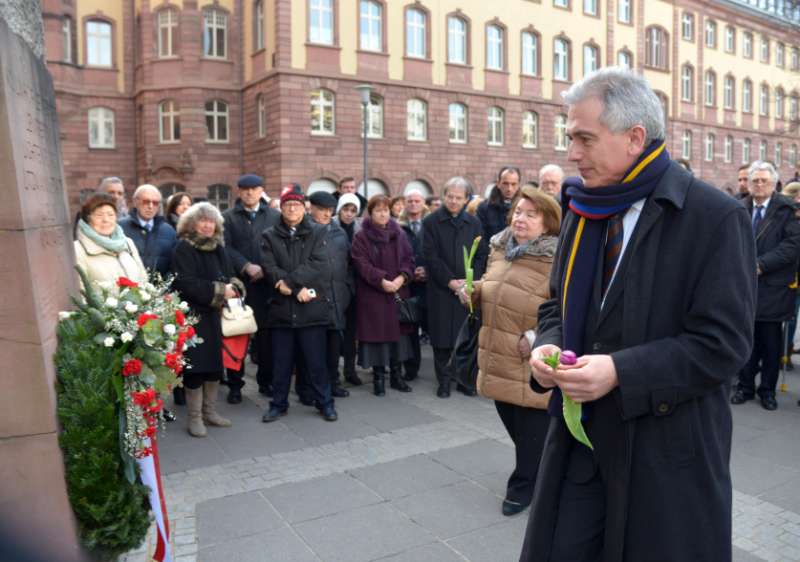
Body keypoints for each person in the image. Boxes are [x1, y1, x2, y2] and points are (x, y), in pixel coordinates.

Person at [521, 68, 756, 562]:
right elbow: (555, 303)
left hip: (664, 459)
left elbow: (724, 345)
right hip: (580, 449)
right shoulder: (583, 209)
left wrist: (621, 373)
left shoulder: (714, 217)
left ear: (634, 138)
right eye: (570, 138)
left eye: (585, 138)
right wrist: (548, 342)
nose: (571, 154)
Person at [464, 187, 560, 517]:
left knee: (531, 429)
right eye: (518, 212)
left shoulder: (556, 257)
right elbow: (496, 287)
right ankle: (547, 471)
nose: (521, 218)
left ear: (548, 224)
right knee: (516, 425)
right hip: (497, 351)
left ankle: (522, 487)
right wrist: (473, 291)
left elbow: (566, 307)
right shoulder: (500, 249)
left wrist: (536, 335)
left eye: (531, 214)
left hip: (529, 356)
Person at [261, 184, 338, 423]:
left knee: (316, 362)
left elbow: (319, 264)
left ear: (304, 208)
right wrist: (295, 290)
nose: (292, 209)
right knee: (281, 363)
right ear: (281, 208)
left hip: (311, 308)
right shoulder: (269, 235)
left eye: (296, 204)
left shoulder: (318, 232)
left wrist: (291, 286)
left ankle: (325, 403)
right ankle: (278, 404)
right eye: (287, 205)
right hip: (282, 311)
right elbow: (269, 268)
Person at [731, 161, 800, 411]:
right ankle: (744, 387)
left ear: (774, 184)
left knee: (771, 344)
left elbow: (792, 246)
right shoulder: (738, 207)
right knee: (745, 341)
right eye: (755, 181)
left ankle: (767, 391)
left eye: (764, 181)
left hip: (773, 288)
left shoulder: (787, 210)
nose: (759, 185)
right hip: (742, 287)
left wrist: (760, 265)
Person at [171, 202, 240, 437]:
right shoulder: (184, 248)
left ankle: (210, 412)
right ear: (192, 224)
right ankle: (194, 417)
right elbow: (186, 283)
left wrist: (235, 286)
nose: (207, 225)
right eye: (203, 220)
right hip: (193, 317)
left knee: (214, 368)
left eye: (211, 221)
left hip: (216, 316)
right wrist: (221, 290)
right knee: (196, 368)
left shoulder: (218, 247)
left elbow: (230, 273)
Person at [422, 177, 487, 398]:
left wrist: (469, 282)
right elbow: (431, 257)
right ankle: (444, 381)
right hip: (441, 289)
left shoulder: (474, 222)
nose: (453, 201)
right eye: (450, 196)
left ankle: (464, 380)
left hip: (467, 291)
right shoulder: (431, 222)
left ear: (466, 199)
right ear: (444, 196)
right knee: (441, 339)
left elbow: (480, 256)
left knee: (465, 337)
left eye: (458, 198)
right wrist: (451, 282)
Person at [222, 174, 281, 403]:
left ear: (261, 191)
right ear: (239, 192)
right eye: (244, 189)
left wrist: (265, 268)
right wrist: (246, 266)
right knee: (237, 335)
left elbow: (279, 247)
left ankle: (266, 381)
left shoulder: (274, 216)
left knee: (266, 339)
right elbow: (226, 248)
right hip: (240, 287)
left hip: (267, 286)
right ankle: (235, 385)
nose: (249, 193)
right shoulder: (228, 217)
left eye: (254, 189)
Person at [351, 195, 415, 395]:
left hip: (397, 292)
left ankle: (396, 376)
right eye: (378, 210)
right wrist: (381, 280)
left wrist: (402, 278)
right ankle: (378, 378)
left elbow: (409, 258)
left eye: (386, 210)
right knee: (377, 338)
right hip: (373, 295)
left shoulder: (399, 233)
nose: (383, 214)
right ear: (370, 213)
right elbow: (360, 263)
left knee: (398, 337)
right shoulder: (361, 236)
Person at [308, 191, 354, 398]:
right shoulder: (305, 231)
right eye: (322, 210)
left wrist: (347, 289)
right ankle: (313, 387)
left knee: (334, 346)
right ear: (312, 209)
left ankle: (334, 383)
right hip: (314, 298)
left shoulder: (339, 233)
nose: (327, 214)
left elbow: (348, 262)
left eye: (329, 211)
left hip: (338, 297)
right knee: (314, 347)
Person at [74, 192, 147, 289]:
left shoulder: (127, 243)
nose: (106, 220)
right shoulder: (78, 249)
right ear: (88, 219)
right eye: (99, 215)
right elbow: (80, 291)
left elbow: (143, 279)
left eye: (111, 215)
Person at [398, 189, 429, 381]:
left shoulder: (431, 224)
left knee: (431, 326)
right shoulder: (398, 227)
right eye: (410, 201)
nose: (413, 204)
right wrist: (408, 273)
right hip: (408, 284)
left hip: (429, 284)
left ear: (423, 203)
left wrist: (428, 271)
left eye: (417, 201)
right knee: (409, 327)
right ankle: (411, 367)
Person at [334, 193, 363, 386]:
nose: (349, 214)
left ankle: (350, 370)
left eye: (353, 210)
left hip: (356, 285)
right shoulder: (331, 227)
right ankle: (333, 372)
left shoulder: (360, 229)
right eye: (346, 209)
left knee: (352, 331)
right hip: (336, 283)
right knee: (336, 329)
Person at [119, 184, 177, 279]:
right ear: (135, 202)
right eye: (146, 202)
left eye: (155, 203)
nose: (150, 206)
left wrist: (163, 287)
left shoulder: (169, 231)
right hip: (128, 288)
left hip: (160, 290)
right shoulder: (120, 227)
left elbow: (174, 265)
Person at [477, 167, 521, 238]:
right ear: (498, 183)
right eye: (505, 183)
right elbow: (479, 237)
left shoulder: (524, 209)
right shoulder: (484, 208)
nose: (509, 189)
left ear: (518, 185)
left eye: (513, 184)